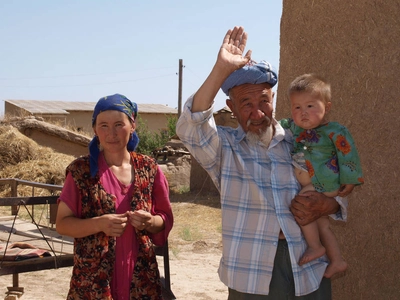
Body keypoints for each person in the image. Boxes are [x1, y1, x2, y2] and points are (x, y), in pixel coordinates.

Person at [176, 26, 348, 299]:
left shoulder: (301, 141)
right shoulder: (225, 149)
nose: (257, 112)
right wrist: (221, 69)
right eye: (245, 103)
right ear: (231, 108)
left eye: (263, 101)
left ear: (274, 100)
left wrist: (327, 204)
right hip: (251, 276)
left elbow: (333, 188)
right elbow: (191, 127)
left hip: (308, 270)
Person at [56, 94, 173, 300]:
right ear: (94, 130)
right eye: (103, 126)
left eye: (119, 124)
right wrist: (99, 224)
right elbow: (62, 224)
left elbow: (163, 220)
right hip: (93, 283)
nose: (111, 133)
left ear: (132, 126)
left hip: (141, 280)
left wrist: (149, 221)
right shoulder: (81, 171)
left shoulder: (149, 169)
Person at [280, 74, 364, 277]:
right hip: (314, 184)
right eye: (297, 107)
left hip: (324, 183)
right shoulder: (294, 127)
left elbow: (348, 153)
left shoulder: (334, 130)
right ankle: (337, 261)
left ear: (327, 107)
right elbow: (278, 124)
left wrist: (350, 180)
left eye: (310, 106)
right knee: (323, 223)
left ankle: (314, 246)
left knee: (302, 205)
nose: (303, 113)